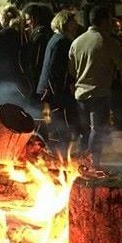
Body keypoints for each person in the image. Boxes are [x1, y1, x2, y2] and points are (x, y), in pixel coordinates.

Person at [69, 6, 122, 166]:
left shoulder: (77, 42)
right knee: (97, 130)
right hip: (100, 93)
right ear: (103, 21)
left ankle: (81, 165)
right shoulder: (108, 42)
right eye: (109, 20)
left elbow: (72, 70)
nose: (111, 23)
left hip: (80, 94)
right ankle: (93, 164)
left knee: (84, 132)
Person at [37, 10, 81, 156]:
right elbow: (56, 68)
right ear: (65, 23)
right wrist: (62, 90)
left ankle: (57, 155)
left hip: (48, 90)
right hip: (55, 91)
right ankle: (61, 157)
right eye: (73, 22)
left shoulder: (55, 38)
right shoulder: (63, 41)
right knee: (63, 126)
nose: (76, 25)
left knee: (53, 125)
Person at [22, 3, 54, 97]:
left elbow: (36, 62)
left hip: (38, 81)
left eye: (28, 19)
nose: (27, 23)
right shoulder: (43, 33)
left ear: (34, 18)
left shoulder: (40, 36)